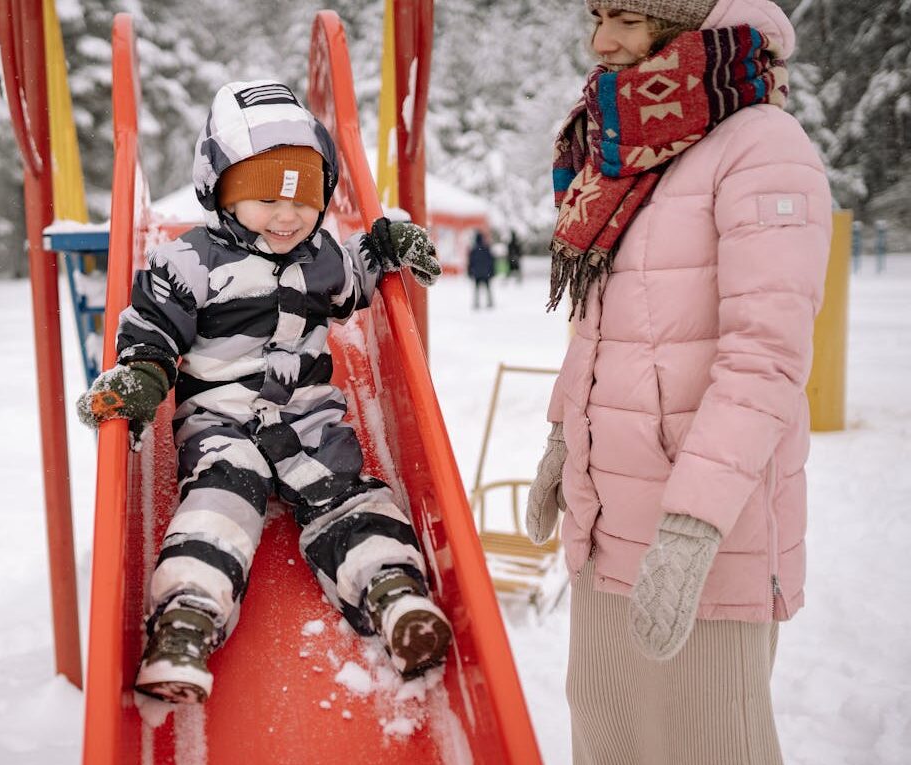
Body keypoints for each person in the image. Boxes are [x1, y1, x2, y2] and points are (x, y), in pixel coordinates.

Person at [76, 80, 450, 704]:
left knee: (348, 497)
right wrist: (143, 377)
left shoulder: (322, 256)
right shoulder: (188, 263)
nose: (288, 215)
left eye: (305, 196)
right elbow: (152, 329)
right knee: (221, 500)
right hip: (221, 421)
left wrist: (384, 246)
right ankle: (187, 619)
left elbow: (355, 279)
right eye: (263, 197)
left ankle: (392, 593)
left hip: (306, 420)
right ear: (218, 190)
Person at [525, 1, 831, 763]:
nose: (602, 41)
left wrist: (692, 527)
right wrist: (565, 433)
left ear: (689, 21)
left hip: (704, 536)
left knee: (707, 740)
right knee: (606, 729)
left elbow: (765, 356)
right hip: (607, 518)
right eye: (597, 15)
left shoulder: (762, 146)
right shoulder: (626, 145)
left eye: (627, 18)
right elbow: (605, 319)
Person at [466, 229, 495, 309]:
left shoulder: (473, 250)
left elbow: (470, 263)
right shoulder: (486, 249)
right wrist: (492, 271)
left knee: (476, 289)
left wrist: (469, 272)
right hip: (486, 273)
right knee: (488, 289)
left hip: (477, 273)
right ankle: (490, 303)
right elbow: (491, 261)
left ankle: (476, 303)